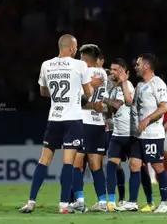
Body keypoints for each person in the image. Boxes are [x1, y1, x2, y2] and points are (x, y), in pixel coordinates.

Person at [20, 34, 94, 214]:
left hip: (54, 118)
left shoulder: (46, 65)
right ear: (70, 48)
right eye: (75, 47)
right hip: (73, 120)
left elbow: (43, 92)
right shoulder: (80, 65)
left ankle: (31, 202)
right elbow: (89, 93)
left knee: (43, 160)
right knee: (68, 162)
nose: (76, 50)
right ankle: (63, 205)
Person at [117, 53, 167, 213]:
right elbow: (129, 102)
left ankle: (165, 203)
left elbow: (163, 107)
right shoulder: (140, 86)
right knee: (134, 165)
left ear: (147, 66)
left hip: (152, 134)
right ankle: (132, 202)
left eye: (138, 64)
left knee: (158, 166)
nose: (136, 66)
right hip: (138, 135)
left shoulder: (158, 83)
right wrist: (124, 82)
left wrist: (146, 120)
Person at [70, 44, 108, 212]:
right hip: (98, 123)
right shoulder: (103, 74)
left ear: (85, 59)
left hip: (84, 122)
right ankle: (102, 201)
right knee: (95, 164)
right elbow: (100, 104)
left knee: (76, 163)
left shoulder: (83, 73)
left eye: (81, 57)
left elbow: (80, 97)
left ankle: (79, 200)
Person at [102, 58, 136, 211]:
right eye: (111, 69)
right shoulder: (113, 87)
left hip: (130, 133)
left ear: (123, 71)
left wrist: (101, 98)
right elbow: (111, 109)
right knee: (113, 166)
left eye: (115, 69)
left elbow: (118, 104)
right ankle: (113, 201)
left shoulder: (126, 85)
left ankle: (145, 201)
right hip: (116, 131)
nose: (112, 72)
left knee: (137, 167)